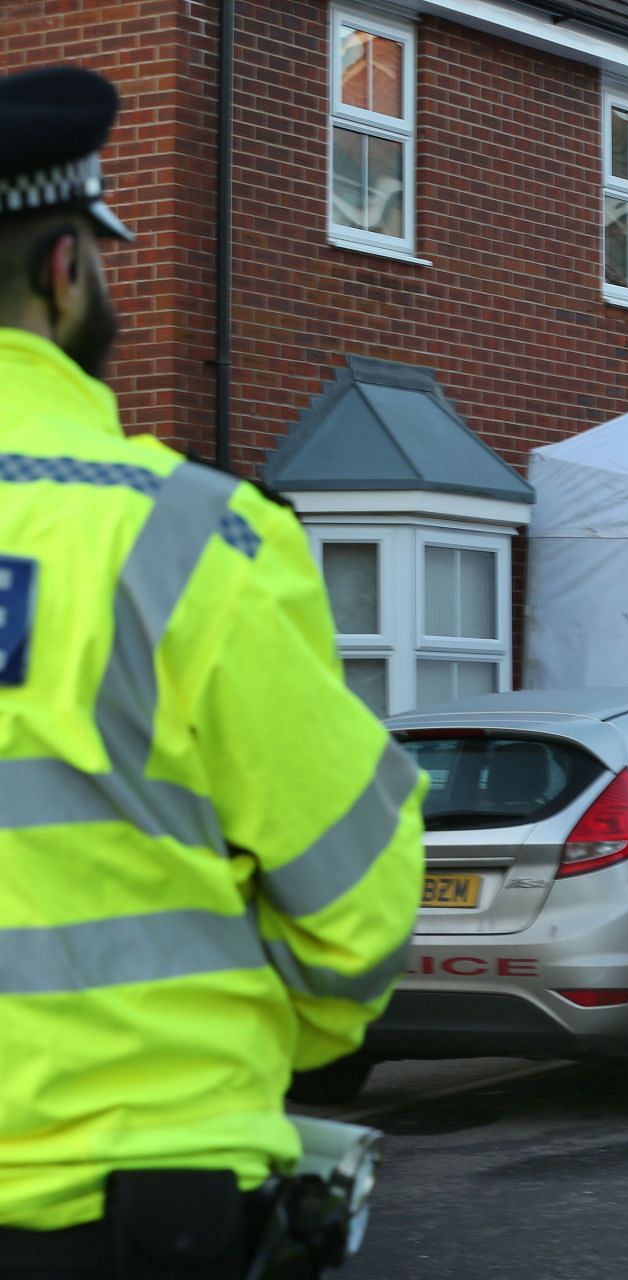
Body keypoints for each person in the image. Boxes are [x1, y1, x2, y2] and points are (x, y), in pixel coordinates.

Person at [0, 66, 425, 1275]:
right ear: (66, 268)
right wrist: (287, 1030)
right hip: (143, 1198)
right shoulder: (190, 539)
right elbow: (355, 897)